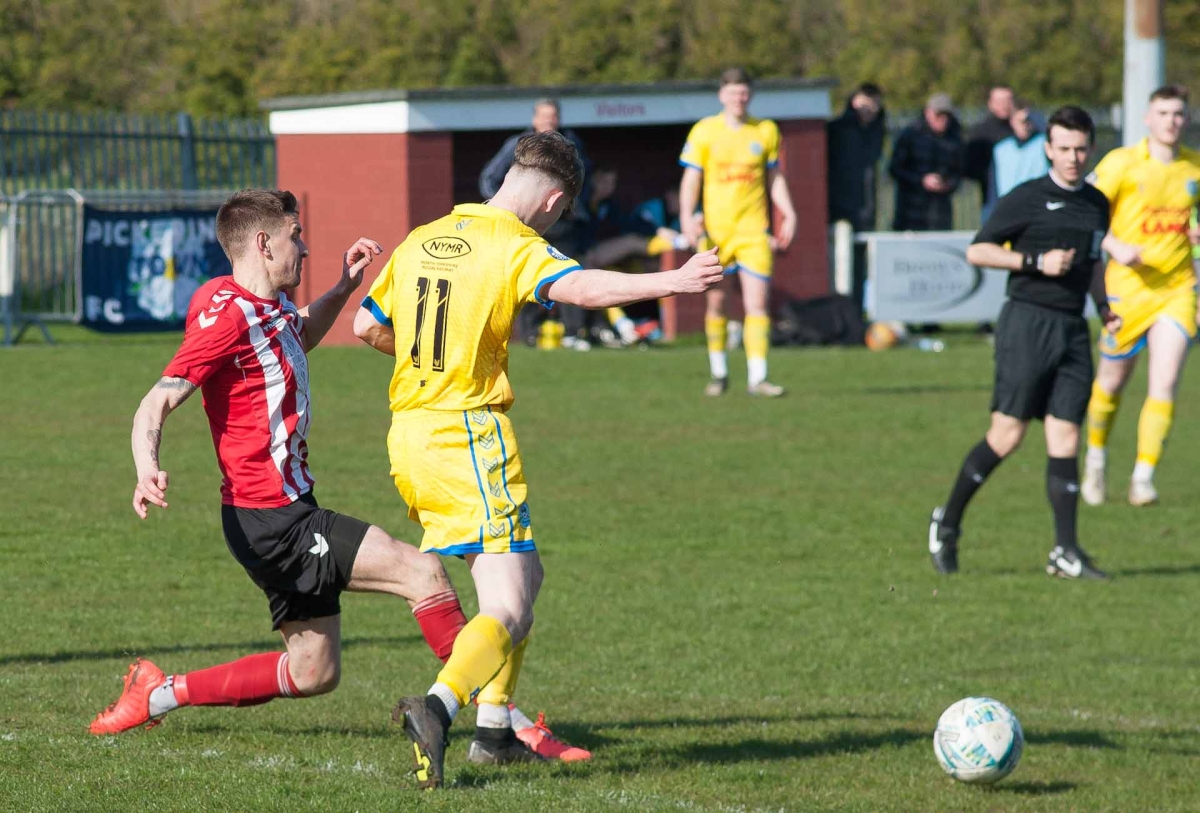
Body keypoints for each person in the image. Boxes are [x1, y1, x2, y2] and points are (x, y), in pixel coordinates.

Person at [352, 131, 724, 789]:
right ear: (553, 199)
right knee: (510, 604)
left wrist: (431, 363)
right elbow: (580, 287)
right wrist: (676, 277)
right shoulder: (514, 245)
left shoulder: (424, 236)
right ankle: (438, 708)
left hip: (408, 434)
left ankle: (495, 732)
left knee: (528, 571)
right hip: (467, 434)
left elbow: (366, 326)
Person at [88, 190, 476, 734]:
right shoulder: (228, 318)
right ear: (263, 243)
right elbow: (157, 399)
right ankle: (503, 723)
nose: (306, 249)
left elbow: (296, 336)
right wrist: (145, 464)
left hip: (275, 511)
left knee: (314, 671)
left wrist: (343, 288)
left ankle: (158, 693)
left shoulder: (258, 307)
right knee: (423, 571)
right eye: (296, 236)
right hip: (273, 519)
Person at [926, 106, 1119, 580]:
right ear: (1048, 149)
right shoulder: (1027, 198)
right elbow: (978, 249)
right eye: (1064, 148)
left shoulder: (1096, 203)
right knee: (1008, 435)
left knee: (1066, 435)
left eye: (1080, 148)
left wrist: (1104, 306)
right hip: (1027, 323)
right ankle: (946, 524)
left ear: (1089, 149)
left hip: (1073, 328)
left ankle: (1065, 551)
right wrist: (1034, 261)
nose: (1072, 157)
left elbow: (1094, 262)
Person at [1081, 84, 1200, 507]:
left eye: (1178, 113)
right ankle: (1095, 458)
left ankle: (1143, 476)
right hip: (1127, 292)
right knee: (1110, 384)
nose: (1172, 121)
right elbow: (1085, 209)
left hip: (1177, 289)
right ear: (1148, 119)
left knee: (1165, 381)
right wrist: (1114, 246)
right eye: (1164, 113)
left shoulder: (1193, 168)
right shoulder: (1123, 163)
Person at [679, 66, 798, 397]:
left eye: (744, 93)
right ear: (722, 96)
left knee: (757, 304)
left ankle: (758, 378)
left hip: (753, 232)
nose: (739, 99)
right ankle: (719, 373)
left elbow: (774, 178)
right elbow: (692, 178)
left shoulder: (765, 131)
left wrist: (787, 212)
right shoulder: (704, 131)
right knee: (717, 303)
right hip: (716, 233)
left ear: (751, 96)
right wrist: (688, 217)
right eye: (733, 93)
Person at [480, 98, 594, 350]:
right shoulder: (517, 145)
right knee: (526, 274)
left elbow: (586, 178)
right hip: (528, 222)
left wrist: (577, 207)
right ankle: (530, 334)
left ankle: (573, 334)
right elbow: (488, 178)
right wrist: (504, 208)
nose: (549, 122)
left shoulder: (571, 144)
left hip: (563, 222)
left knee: (569, 272)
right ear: (534, 120)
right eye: (544, 117)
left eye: (553, 117)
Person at [827, 82, 886, 309]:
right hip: (841, 209)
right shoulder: (838, 130)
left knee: (860, 263)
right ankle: (841, 312)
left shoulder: (877, 131)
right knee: (839, 261)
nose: (868, 109)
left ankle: (857, 311)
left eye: (874, 105)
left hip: (866, 210)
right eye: (864, 103)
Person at [889, 93, 965, 232]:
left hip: (940, 215)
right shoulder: (910, 135)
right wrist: (921, 180)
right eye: (938, 115)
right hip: (910, 214)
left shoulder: (955, 138)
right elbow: (895, 169)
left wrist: (947, 184)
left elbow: (959, 172)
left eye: (946, 116)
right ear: (927, 113)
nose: (943, 120)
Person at [988, 100, 1049, 212]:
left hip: (1037, 207)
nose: (1025, 125)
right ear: (1012, 121)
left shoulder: (1045, 144)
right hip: (1008, 208)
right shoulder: (1001, 149)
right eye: (1020, 121)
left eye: (1028, 121)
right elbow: (994, 187)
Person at [966, 85, 1016, 207]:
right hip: (991, 199)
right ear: (990, 103)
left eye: (1007, 100)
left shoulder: (1021, 130)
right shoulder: (980, 132)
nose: (1004, 105)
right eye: (999, 101)